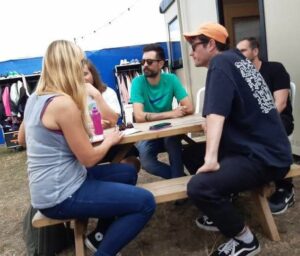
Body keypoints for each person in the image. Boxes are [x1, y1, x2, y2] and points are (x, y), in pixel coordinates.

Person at [18, 40, 156, 256]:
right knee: (145, 202)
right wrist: (109, 140)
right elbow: (89, 159)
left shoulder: (35, 98)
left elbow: (22, 139)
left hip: (49, 188)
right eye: (78, 62)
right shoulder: (63, 103)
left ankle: (101, 235)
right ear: (69, 66)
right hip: (61, 195)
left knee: (128, 171)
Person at [183, 22, 292, 256]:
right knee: (191, 154)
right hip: (270, 149)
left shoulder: (221, 63)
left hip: (264, 157)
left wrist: (211, 159)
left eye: (194, 45)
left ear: (211, 44)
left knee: (199, 187)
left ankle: (245, 240)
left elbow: (215, 114)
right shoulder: (240, 62)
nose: (191, 51)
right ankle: (222, 208)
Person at [236, 37, 295, 214]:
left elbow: (281, 104)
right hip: (253, 122)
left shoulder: (275, 69)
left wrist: (257, 123)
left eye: (244, 51)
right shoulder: (241, 76)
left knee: (261, 134)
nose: (240, 56)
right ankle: (238, 183)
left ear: (255, 51)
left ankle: (285, 188)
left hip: (279, 120)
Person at [130, 43, 194, 179]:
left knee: (174, 145)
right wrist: (170, 114)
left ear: (160, 64)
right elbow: (139, 116)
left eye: (149, 62)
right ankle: (181, 179)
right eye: (143, 61)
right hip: (148, 132)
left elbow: (189, 107)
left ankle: (180, 188)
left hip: (169, 130)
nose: (144, 65)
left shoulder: (171, 79)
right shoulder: (137, 82)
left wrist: (178, 112)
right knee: (147, 163)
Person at [82, 59, 141, 171]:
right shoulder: (72, 98)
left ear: (93, 74)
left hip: (113, 141)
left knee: (132, 163)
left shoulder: (108, 92)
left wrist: (96, 95)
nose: (82, 79)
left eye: (85, 74)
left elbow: (113, 120)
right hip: (89, 145)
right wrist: (91, 125)